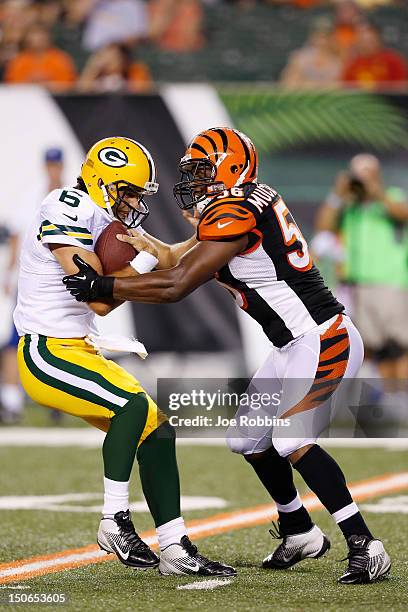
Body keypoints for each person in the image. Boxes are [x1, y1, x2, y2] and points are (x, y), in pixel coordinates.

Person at [64, 127, 391, 585]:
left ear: (231, 170)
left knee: (291, 439)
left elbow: (179, 284)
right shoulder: (240, 204)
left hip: (323, 337)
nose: (193, 181)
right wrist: (154, 250)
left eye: (201, 171)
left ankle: (365, 545)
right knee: (246, 440)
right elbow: (185, 255)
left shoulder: (236, 210)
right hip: (292, 346)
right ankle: (299, 529)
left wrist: (106, 286)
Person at [13, 136, 235, 577]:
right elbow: (96, 295)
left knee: (157, 432)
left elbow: (166, 257)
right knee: (132, 408)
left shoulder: (110, 220)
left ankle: (174, 547)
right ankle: (114, 519)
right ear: (104, 181)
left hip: (79, 349)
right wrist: (144, 261)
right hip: (46, 350)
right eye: (129, 191)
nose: (134, 201)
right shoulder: (66, 206)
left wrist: (206, 233)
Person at [315, 154, 408, 390]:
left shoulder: (392, 197)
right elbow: (324, 227)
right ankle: (390, 402)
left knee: (399, 345)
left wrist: (375, 191)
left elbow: (401, 213)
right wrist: (337, 195)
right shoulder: (349, 207)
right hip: (358, 285)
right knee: (375, 348)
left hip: (389, 282)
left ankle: (403, 399)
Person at [1, 147, 66, 424]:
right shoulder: (31, 197)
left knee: (64, 340)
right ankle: (12, 401)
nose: (53, 169)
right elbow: (16, 237)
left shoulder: (69, 197)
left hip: (61, 280)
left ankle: (61, 400)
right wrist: (9, 274)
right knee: (16, 340)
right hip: (30, 280)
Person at [4, 23, 76, 90]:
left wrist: (48, 84)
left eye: (41, 35)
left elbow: (68, 86)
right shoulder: (19, 61)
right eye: (33, 35)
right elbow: (12, 86)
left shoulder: (60, 59)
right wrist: (30, 82)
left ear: (48, 37)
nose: (38, 39)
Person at [341, 22, 408, 90]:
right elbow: (345, 88)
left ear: (378, 39)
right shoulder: (353, 64)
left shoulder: (392, 60)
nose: (366, 45)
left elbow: (401, 88)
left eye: (370, 40)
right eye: (363, 41)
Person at [280, 18, 342, 89]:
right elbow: (288, 83)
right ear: (311, 36)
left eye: (325, 37)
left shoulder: (337, 61)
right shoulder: (300, 57)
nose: (321, 42)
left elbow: (337, 86)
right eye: (317, 36)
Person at [77, 43, 151, 93]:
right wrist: (92, 68)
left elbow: (140, 93)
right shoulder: (96, 77)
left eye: (114, 57)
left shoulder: (133, 72)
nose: (108, 59)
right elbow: (79, 92)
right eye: (104, 55)